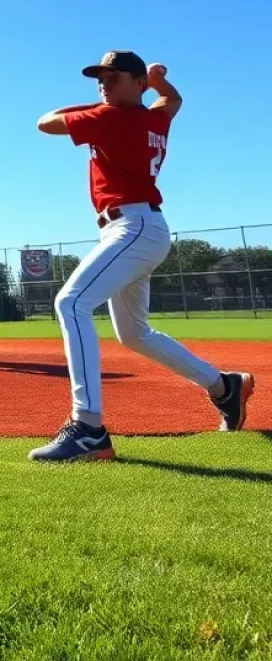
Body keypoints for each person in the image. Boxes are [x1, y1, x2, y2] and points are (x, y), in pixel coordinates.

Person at [31, 52, 254, 462]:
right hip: (142, 229)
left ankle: (88, 428)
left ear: (135, 82)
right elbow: (174, 101)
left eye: (113, 77)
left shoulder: (109, 117)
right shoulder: (153, 118)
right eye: (100, 77)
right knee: (133, 334)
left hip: (131, 228)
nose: (103, 84)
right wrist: (156, 83)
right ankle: (224, 386)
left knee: (71, 302)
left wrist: (130, 93)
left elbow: (44, 122)